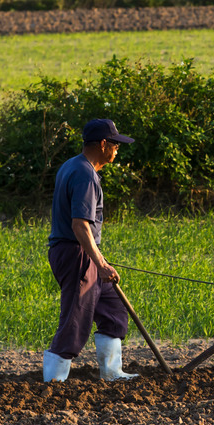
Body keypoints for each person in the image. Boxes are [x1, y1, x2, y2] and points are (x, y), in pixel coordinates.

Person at [42, 118, 138, 383]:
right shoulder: (84, 174)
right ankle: (54, 382)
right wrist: (101, 263)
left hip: (82, 253)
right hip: (76, 254)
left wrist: (100, 260)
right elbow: (80, 225)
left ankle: (112, 372)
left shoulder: (72, 166)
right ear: (103, 144)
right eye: (116, 144)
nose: (118, 149)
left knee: (112, 308)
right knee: (76, 317)